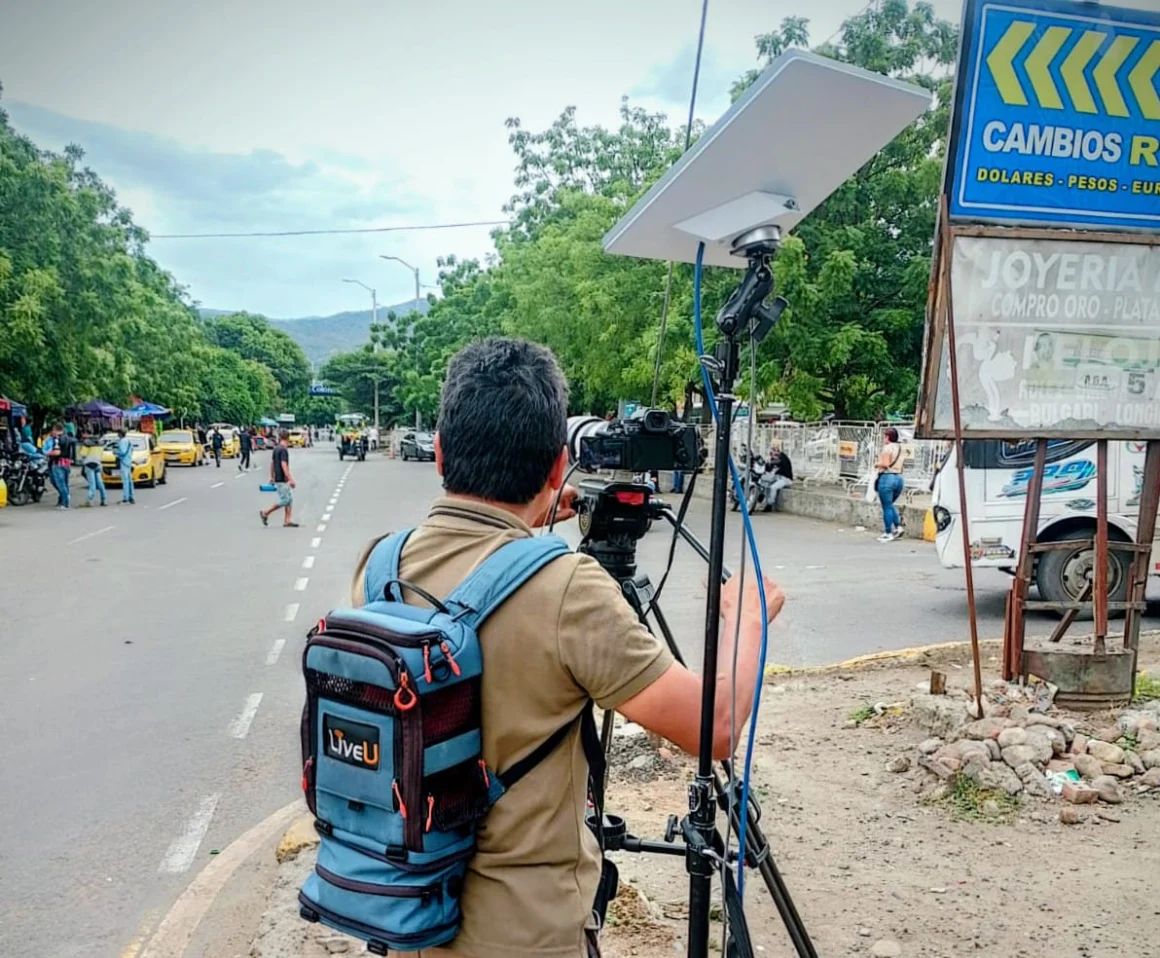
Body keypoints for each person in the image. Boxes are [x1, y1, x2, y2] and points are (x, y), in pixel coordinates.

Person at [351, 338, 781, 958]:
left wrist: (542, 512)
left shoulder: (382, 563)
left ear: (440, 452)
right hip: (523, 934)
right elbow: (714, 728)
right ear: (558, 466)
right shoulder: (568, 591)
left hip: (403, 909)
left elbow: (469, 548)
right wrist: (747, 622)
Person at [260, 430, 298, 528]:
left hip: (278, 477)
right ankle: (266, 512)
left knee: (290, 500)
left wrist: (272, 476)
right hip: (282, 479)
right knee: (285, 500)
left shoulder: (276, 449)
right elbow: (284, 464)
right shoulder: (283, 450)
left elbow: (272, 463)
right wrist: (290, 479)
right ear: (288, 438)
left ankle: (287, 520)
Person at [875, 426, 906, 542]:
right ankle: (898, 527)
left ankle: (888, 532)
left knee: (886, 506)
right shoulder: (900, 448)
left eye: (884, 436)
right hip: (899, 478)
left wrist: (876, 464)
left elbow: (885, 464)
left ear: (887, 437)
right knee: (890, 504)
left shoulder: (887, 448)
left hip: (887, 478)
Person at [42, 423, 72, 509]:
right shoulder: (67, 438)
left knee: (59, 483)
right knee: (64, 483)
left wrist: (47, 453)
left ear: (55, 430)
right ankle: (65, 498)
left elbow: (57, 452)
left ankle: (65, 502)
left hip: (58, 463)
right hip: (66, 462)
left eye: (53, 430)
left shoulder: (57, 439)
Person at [79, 429, 107, 507]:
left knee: (92, 484)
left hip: (89, 465)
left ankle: (90, 500)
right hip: (98, 464)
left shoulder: (87, 442)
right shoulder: (100, 442)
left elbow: (83, 454)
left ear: (87, 434)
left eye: (84, 433)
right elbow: (101, 453)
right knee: (100, 483)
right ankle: (104, 499)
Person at [765, 444, 794, 511]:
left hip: (786, 479)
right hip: (778, 477)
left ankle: (770, 504)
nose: (773, 455)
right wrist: (767, 463)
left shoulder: (783, 457)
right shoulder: (773, 460)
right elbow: (767, 470)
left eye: (774, 453)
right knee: (766, 485)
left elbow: (779, 461)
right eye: (771, 453)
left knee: (773, 487)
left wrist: (771, 461)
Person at [114, 428, 136, 505]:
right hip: (128, 461)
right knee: (130, 481)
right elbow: (132, 449)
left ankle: (125, 498)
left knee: (125, 481)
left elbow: (122, 452)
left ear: (120, 434)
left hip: (123, 462)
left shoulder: (122, 441)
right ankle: (131, 496)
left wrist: (116, 452)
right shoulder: (128, 441)